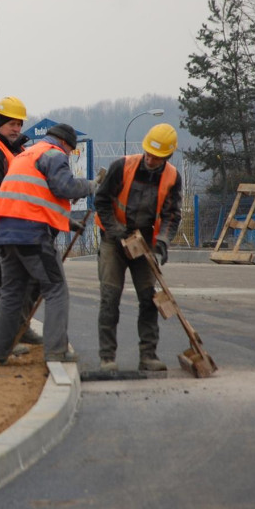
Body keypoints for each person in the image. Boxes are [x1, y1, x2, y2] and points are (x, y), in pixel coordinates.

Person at [0, 123, 98, 364]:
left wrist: (66, 223)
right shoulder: (54, 154)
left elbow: (34, 196)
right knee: (56, 289)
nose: (68, 154)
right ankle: (56, 351)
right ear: (66, 144)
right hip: (33, 236)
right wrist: (91, 186)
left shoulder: (27, 154)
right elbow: (64, 187)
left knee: (11, 293)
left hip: (6, 234)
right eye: (70, 151)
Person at [93, 122, 183, 372]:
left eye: (158, 156)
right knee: (110, 298)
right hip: (114, 239)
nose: (151, 159)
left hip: (144, 242)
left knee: (149, 298)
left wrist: (162, 243)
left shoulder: (172, 177)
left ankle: (148, 355)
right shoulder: (122, 166)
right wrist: (116, 230)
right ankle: (107, 357)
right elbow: (101, 201)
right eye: (149, 153)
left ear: (168, 155)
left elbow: (172, 215)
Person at [0, 96, 43, 348]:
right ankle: (4, 338)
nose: (16, 129)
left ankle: (19, 328)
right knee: (4, 278)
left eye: (19, 124)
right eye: (12, 124)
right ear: (0, 122)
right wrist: (6, 225)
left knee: (24, 278)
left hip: (17, 221)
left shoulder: (16, 150)